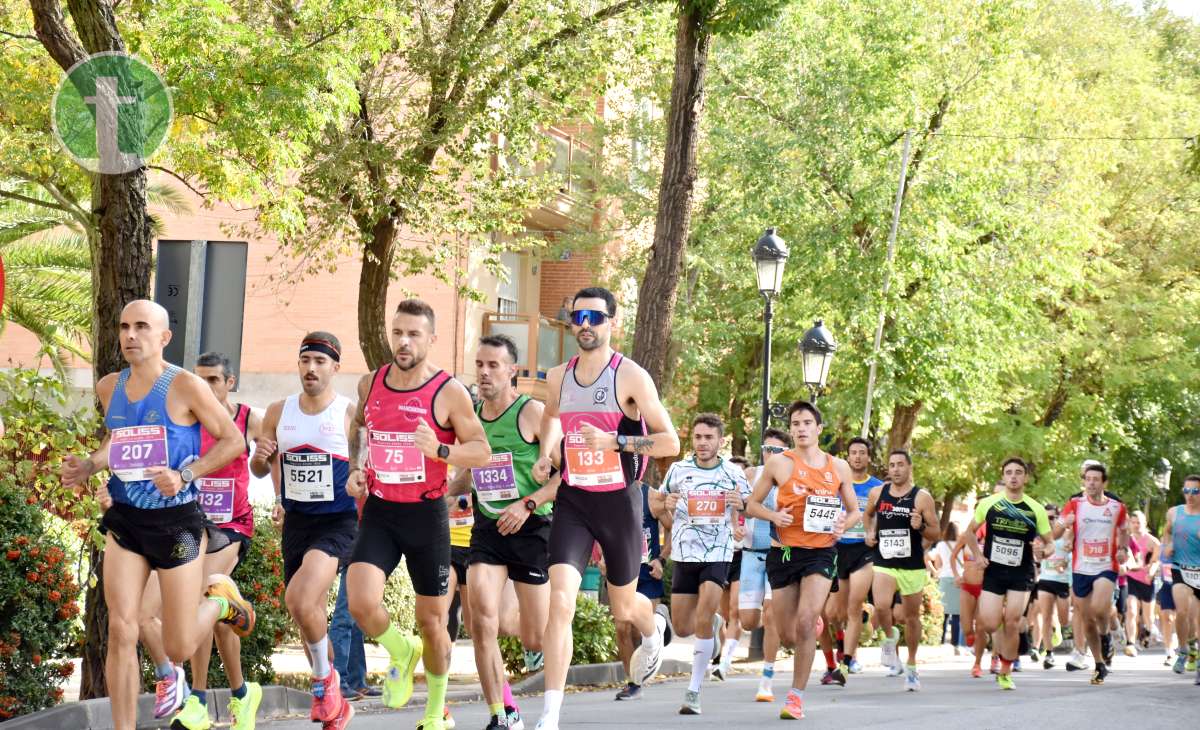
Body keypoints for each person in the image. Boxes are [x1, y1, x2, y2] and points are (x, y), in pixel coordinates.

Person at [60, 300, 254, 730]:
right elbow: (119, 439)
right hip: (126, 522)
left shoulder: (185, 386)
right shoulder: (108, 386)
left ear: (163, 337)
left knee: (179, 644)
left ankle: (220, 601)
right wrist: (90, 466)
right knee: (123, 629)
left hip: (177, 524)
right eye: (124, 326)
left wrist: (186, 474)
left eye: (142, 327)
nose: (131, 335)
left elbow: (233, 441)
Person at [532, 287, 680, 730]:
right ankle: (550, 715)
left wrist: (616, 441)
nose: (585, 324)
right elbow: (551, 418)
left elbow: (670, 441)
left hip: (619, 501)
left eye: (595, 317)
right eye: (578, 316)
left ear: (613, 322)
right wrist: (546, 452)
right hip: (575, 498)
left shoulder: (630, 377)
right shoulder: (558, 376)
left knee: (623, 609)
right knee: (560, 601)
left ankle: (653, 627)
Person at [345, 299, 492, 730]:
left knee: (432, 621)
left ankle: (434, 713)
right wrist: (357, 468)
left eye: (413, 334)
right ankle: (399, 649)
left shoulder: (448, 391)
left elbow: (481, 451)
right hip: (381, 511)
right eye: (397, 333)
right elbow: (358, 427)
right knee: (360, 601)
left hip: (426, 516)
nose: (403, 342)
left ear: (431, 339)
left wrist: (441, 450)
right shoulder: (370, 383)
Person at [137, 352, 265, 729]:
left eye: (212, 380)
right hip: (191, 522)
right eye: (199, 379)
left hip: (231, 526)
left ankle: (197, 699)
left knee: (200, 598)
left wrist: (267, 461)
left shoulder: (248, 419)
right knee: (214, 616)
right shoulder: (185, 417)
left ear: (230, 382)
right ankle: (243, 694)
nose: (204, 386)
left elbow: (266, 460)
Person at [450, 334, 559, 730]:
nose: (484, 372)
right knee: (481, 618)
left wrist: (527, 503)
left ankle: (534, 633)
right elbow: (471, 469)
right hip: (488, 529)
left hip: (532, 528)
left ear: (512, 371)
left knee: (532, 636)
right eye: (479, 364)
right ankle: (502, 712)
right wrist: (442, 496)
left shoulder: (531, 412)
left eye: (493, 365)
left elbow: (567, 476)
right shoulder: (472, 415)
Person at [253, 332, 358, 728]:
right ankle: (334, 705)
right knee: (307, 613)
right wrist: (263, 461)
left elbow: (367, 467)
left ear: (334, 366)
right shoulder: (279, 412)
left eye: (319, 361)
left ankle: (322, 681)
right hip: (297, 520)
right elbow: (261, 468)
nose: (310, 369)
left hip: (339, 520)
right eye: (305, 360)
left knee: (298, 599)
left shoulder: (349, 413)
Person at [745, 400, 859, 720]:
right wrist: (773, 515)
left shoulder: (838, 467)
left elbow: (854, 512)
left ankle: (795, 697)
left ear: (819, 429)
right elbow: (752, 505)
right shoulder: (779, 464)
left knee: (806, 622)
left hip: (821, 552)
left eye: (807, 423)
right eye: (795, 424)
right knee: (788, 634)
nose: (801, 428)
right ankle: (811, 626)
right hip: (784, 552)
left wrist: (842, 525)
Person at [649, 413, 750, 715]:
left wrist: (740, 507)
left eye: (709, 437)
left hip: (718, 552)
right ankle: (714, 623)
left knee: (703, 618)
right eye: (698, 437)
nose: (703, 443)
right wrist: (665, 505)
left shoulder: (733, 473)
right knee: (682, 627)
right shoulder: (679, 470)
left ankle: (693, 691)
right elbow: (657, 503)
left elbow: (749, 506)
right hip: (684, 553)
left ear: (720, 441)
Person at [963, 458, 1053, 691]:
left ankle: (1005, 670)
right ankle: (1002, 643)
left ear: (1025, 477)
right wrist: (978, 555)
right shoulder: (990, 504)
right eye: (1009, 472)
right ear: (1003, 477)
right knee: (992, 624)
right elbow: (969, 533)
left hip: (1021, 573)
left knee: (1012, 622)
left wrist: (1043, 551)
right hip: (994, 571)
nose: (1013, 476)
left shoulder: (1036, 509)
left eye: (1018, 472)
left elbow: (1050, 543)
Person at [863, 449, 940, 691]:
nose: (895, 469)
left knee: (911, 617)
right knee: (882, 605)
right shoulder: (878, 493)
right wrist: (869, 532)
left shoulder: (922, 497)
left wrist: (921, 526)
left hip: (912, 564)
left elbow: (935, 532)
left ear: (909, 468)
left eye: (900, 465)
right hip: (884, 560)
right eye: (892, 465)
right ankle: (889, 636)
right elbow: (867, 515)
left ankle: (912, 665)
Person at [1054, 462, 1128, 685]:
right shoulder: (1074, 505)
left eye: (1096, 479)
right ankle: (1099, 664)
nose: (1092, 483)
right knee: (1086, 619)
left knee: (1098, 608)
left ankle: (1106, 636)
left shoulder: (1117, 507)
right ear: (1084, 482)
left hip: (1106, 565)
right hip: (1081, 568)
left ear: (1104, 482)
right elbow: (1056, 533)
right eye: (1088, 479)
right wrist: (1064, 524)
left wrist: (1123, 549)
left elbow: (1123, 531)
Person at [825, 437, 883, 680]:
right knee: (832, 613)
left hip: (864, 551)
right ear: (847, 457)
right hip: (839, 549)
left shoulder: (878, 488)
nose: (857, 456)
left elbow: (885, 518)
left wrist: (874, 532)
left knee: (852, 606)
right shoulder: (836, 484)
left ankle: (848, 661)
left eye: (862, 452)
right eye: (853, 452)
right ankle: (844, 642)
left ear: (869, 457)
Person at [738, 429, 790, 702]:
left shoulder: (792, 477)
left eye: (777, 450)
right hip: (751, 552)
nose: (771, 454)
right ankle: (784, 620)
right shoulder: (750, 475)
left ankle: (766, 679)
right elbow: (738, 507)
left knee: (770, 616)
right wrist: (736, 524)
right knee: (748, 621)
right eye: (767, 449)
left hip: (779, 554)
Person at [613, 480, 670, 701]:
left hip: (647, 573)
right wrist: (601, 557)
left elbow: (674, 529)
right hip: (621, 571)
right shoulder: (607, 492)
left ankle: (660, 624)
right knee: (622, 628)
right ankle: (633, 682)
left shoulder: (652, 497)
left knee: (640, 631)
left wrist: (661, 560)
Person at [1161, 474, 1200, 682]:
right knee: (1182, 612)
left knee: (1197, 617)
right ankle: (1183, 650)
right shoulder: (1174, 513)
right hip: (1180, 569)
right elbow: (1166, 533)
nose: (1190, 495)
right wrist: (1168, 544)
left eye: (1195, 491)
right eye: (1187, 491)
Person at [1035, 503, 1071, 669]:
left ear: (1057, 518)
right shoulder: (1040, 536)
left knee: (1064, 621)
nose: (1048, 521)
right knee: (1046, 616)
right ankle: (1049, 654)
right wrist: (1037, 553)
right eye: (1045, 517)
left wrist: (1066, 560)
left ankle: (1059, 632)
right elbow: (1037, 558)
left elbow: (1073, 553)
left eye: (1051, 517)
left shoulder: (1067, 534)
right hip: (1045, 580)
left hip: (1063, 582)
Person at [952, 524, 988, 677]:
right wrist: (956, 576)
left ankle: (977, 664)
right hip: (967, 586)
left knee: (981, 627)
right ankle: (969, 637)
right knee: (967, 629)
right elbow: (953, 557)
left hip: (986, 587)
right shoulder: (966, 537)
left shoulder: (993, 538)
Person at [1124, 510, 1159, 656]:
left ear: (1144, 524)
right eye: (1133, 522)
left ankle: (1149, 631)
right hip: (1130, 579)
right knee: (1131, 611)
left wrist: (1151, 572)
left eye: (1139, 522)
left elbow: (1156, 561)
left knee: (1148, 617)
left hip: (1146, 580)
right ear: (1130, 524)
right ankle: (1130, 643)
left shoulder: (1153, 541)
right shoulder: (1126, 540)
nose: (1136, 525)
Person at [929, 522, 962, 654]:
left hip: (944, 578)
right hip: (959, 579)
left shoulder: (941, 545)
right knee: (957, 614)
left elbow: (930, 558)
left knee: (944, 612)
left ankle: (941, 641)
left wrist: (935, 571)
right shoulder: (962, 545)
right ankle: (955, 644)